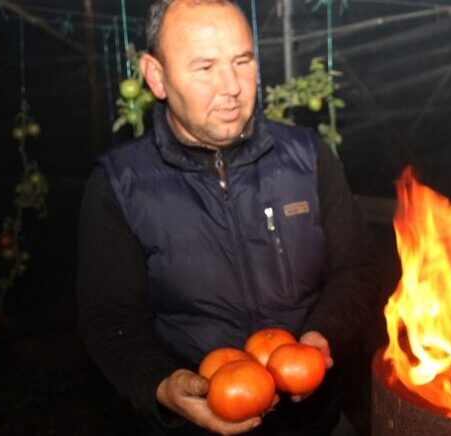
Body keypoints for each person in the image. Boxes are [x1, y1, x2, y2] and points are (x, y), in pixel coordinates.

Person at [76, 0, 380, 434]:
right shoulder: (120, 184)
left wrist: (321, 337)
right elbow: (107, 319)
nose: (232, 86)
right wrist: (162, 386)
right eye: (205, 68)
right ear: (156, 77)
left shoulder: (307, 157)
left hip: (319, 422)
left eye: (243, 61)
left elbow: (359, 267)